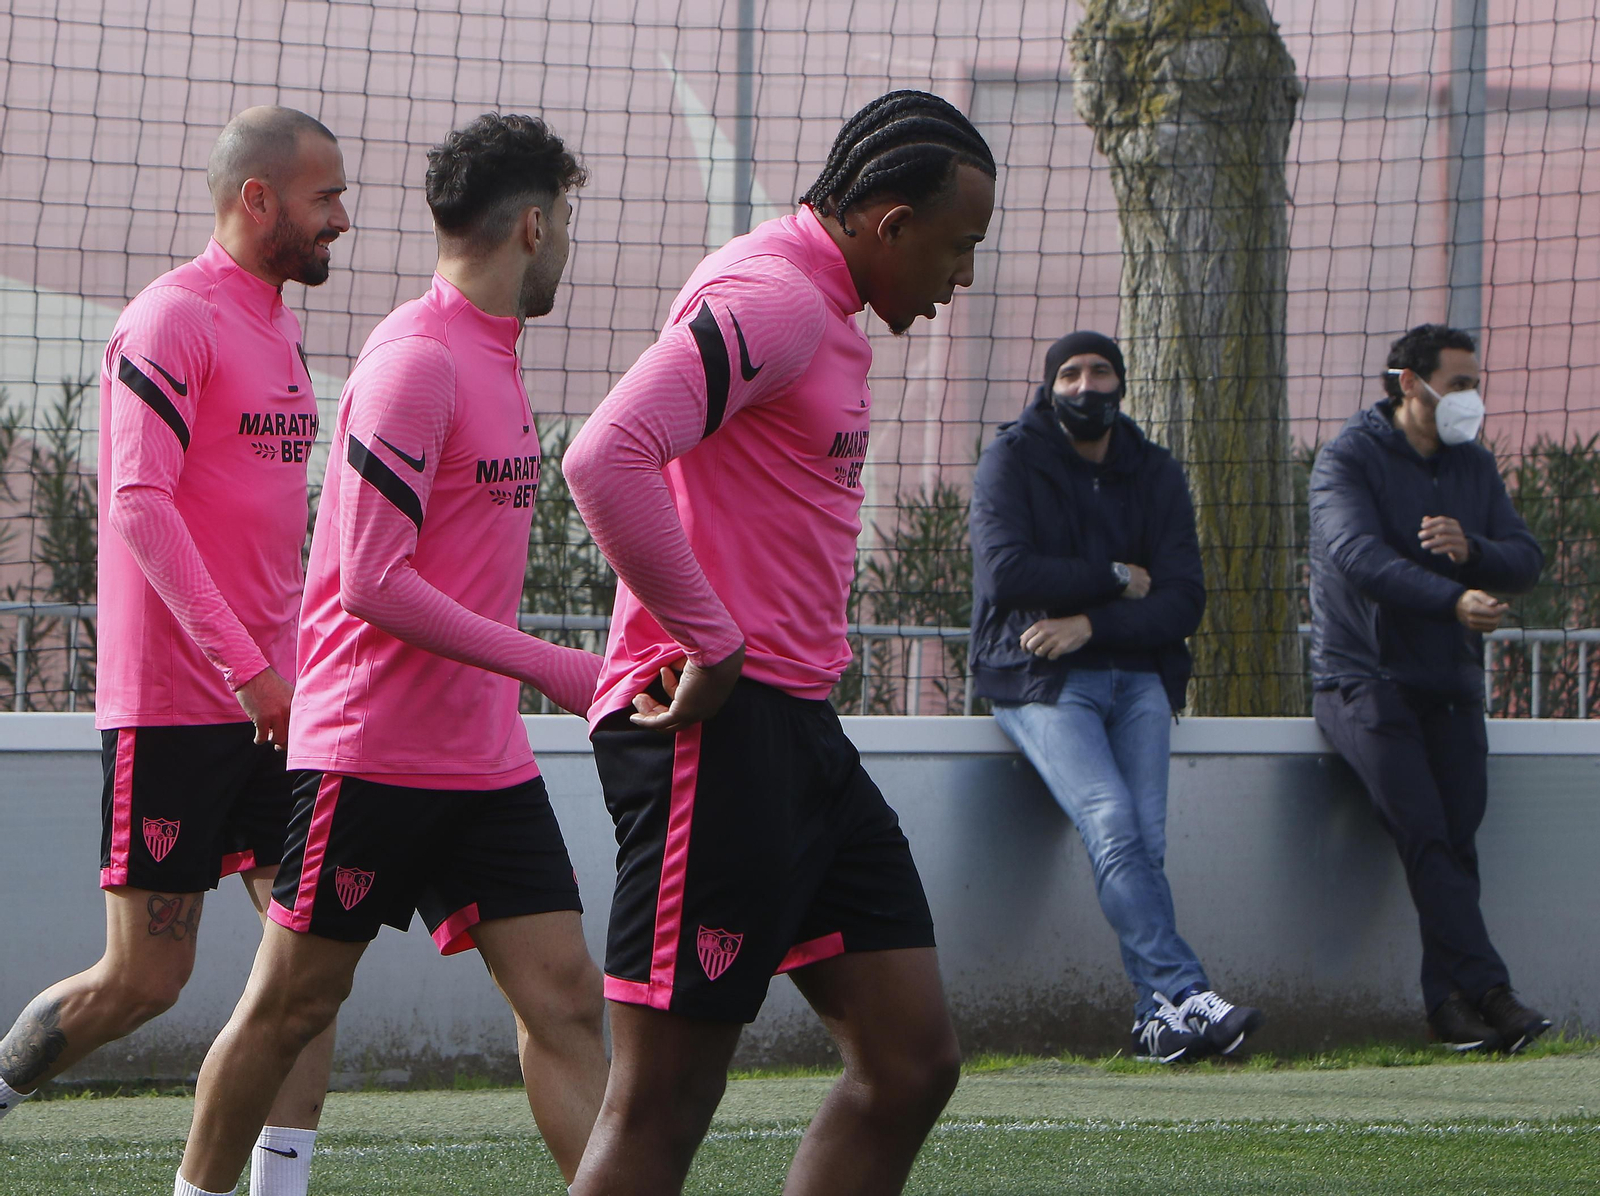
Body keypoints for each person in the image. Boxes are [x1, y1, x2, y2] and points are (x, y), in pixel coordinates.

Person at [562, 90, 995, 1196]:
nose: (963, 279)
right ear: (890, 224)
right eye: (957, 247)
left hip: (795, 729)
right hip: (712, 729)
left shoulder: (821, 306)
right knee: (661, 1102)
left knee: (908, 1061)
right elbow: (605, 454)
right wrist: (709, 638)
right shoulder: (777, 297)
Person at [171, 113, 608, 1196]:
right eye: (570, 225)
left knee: (563, 999)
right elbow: (371, 578)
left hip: (485, 760)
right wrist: (553, 667)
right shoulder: (417, 358)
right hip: (368, 755)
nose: (570, 249)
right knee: (290, 1008)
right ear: (534, 224)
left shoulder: (496, 357)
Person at [0, 106, 347, 1194]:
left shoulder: (281, 326)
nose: (341, 217)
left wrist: (297, 667)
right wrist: (246, 666)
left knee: (310, 965)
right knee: (146, 975)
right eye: (324, 197)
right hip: (181, 701)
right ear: (259, 200)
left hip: (284, 704)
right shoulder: (170, 319)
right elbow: (140, 505)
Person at [968, 330, 1263, 1064]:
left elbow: (1184, 600)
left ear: (1122, 384)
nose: (1086, 385)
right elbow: (1006, 574)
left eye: (1101, 371)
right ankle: (1185, 988)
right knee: (1112, 820)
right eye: (1069, 372)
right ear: (1049, 385)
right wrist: (1111, 576)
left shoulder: (1155, 471)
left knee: (1145, 842)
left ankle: (1154, 1021)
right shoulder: (1011, 459)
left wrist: (1089, 621)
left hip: (1140, 678)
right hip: (1041, 679)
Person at [1309, 323, 1549, 1053]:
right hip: (1364, 681)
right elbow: (1358, 558)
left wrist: (1472, 552)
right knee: (1426, 836)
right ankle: (1493, 992)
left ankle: (1448, 1008)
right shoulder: (1346, 461)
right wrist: (1453, 599)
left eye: (1476, 384)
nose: (1472, 398)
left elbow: (1524, 556)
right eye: (1461, 383)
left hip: (1449, 679)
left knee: (1455, 841)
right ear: (1410, 383)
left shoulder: (1473, 465)